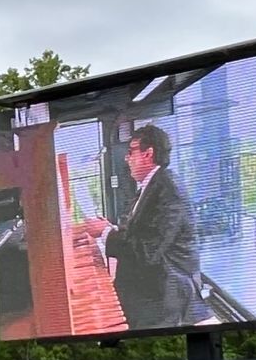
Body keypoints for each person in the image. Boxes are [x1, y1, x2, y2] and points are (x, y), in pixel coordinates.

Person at [82, 123, 202, 331]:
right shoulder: (154, 185)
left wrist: (105, 232)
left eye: (131, 152)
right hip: (152, 288)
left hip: (162, 297)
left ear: (148, 154)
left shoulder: (168, 190)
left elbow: (148, 251)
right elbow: (144, 233)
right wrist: (111, 229)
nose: (126, 158)